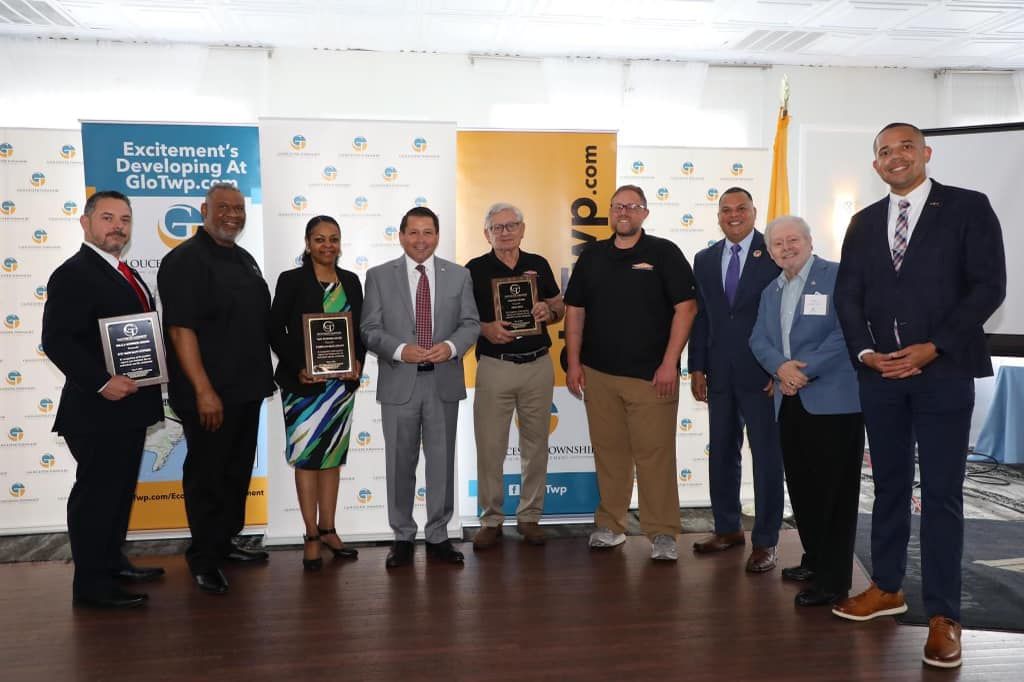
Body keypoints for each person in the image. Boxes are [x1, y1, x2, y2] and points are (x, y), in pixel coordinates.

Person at [833, 122, 1006, 669]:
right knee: (885, 487)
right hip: (880, 376)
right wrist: (864, 353)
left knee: (942, 494)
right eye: (884, 151)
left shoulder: (968, 207)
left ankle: (944, 615)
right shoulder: (862, 223)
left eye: (905, 146)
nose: (895, 157)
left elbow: (989, 286)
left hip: (943, 372)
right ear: (876, 165)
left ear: (925, 153)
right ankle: (887, 588)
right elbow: (848, 296)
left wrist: (935, 347)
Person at [41, 190, 165, 608]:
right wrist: (100, 382)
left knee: (117, 492)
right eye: (108, 217)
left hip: (128, 410)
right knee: (96, 498)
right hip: (95, 410)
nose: (118, 226)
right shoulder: (74, 272)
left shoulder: (124, 272)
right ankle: (92, 586)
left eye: (125, 219)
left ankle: (112, 564)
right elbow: (56, 340)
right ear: (86, 223)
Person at [564, 184, 697, 561]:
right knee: (610, 453)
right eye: (618, 205)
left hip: (651, 376)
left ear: (644, 213)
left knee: (654, 455)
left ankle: (663, 532)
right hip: (598, 374)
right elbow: (575, 310)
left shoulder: (664, 253)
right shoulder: (592, 256)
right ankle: (611, 525)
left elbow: (686, 308)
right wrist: (573, 362)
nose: (624, 212)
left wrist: (671, 362)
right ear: (610, 211)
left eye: (632, 206)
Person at [157, 182, 275, 595]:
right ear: (204, 209)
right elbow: (180, 329)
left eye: (239, 208)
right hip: (209, 395)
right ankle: (203, 558)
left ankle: (225, 542)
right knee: (207, 474)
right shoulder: (185, 260)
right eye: (223, 207)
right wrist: (204, 390)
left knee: (236, 471)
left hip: (246, 390)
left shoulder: (243, 259)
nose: (232, 215)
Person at [749, 216, 864, 607]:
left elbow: (846, 332)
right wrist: (780, 368)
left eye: (793, 240)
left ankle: (834, 582)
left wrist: (800, 370)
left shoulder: (837, 276)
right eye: (778, 244)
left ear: (810, 240)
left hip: (833, 402)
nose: (786, 248)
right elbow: (758, 338)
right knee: (803, 488)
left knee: (835, 495)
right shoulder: (771, 290)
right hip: (789, 399)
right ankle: (815, 560)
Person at [360, 206, 480, 569]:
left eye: (428, 232)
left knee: (442, 464)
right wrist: (399, 350)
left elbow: (471, 324)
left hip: (442, 382)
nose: (420, 240)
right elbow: (369, 329)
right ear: (400, 236)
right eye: (413, 232)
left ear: (438, 236)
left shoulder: (459, 276)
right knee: (399, 463)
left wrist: (452, 347)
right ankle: (402, 537)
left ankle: (439, 535)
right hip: (400, 382)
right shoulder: (379, 276)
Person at [688, 187, 785, 573]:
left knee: (766, 459)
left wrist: (778, 369)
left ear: (753, 212)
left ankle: (766, 540)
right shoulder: (705, 258)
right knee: (723, 455)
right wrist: (696, 366)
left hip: (762, 374)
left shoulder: (775, 251)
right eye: (726, 210)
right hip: (719, 374)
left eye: (740, 209)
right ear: (718, 215)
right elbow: (704, 317)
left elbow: (786, 315)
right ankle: (727, 528)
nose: (733, 215)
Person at [464, 203, 564, 550]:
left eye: (511, 226)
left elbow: (559, 306)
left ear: (523, 229)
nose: (505, 232)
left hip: (538, 365)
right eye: (497, 227)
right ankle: (491, 519)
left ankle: (529, 517)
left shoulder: (538, 264)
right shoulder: (474, 270)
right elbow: (461, 320)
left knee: (536, 444)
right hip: (495, 366)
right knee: (490, 447)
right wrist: (484, 329)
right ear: (486, 233)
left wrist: (547, 311)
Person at [270, 215, 365, 570]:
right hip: (304, 387)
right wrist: (298, 366)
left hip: (340, 387)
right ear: (308, 243)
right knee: (308, 459)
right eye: (320, 239)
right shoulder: (292, 280)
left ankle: (328, 528)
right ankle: (310, 533)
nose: (328, 245)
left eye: (334, 239)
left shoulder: (353, 282)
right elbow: (273, 328)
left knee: (332, 459)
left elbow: (361, 332)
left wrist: (357, 362)